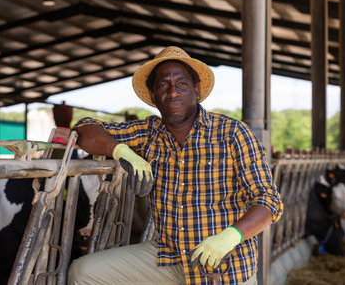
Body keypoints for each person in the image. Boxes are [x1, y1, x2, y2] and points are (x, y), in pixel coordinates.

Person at [68, 46, 283, 285]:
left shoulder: (232, 133)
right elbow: (84, 129)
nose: (172, 93)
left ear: (197, 90)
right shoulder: (148, 132)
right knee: (83, 272)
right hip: (169, 257)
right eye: (163, 85)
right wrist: (120, 151)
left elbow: (269, 200)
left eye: (181, 84)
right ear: (152, 95)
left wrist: (231, 236)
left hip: (223, 268)